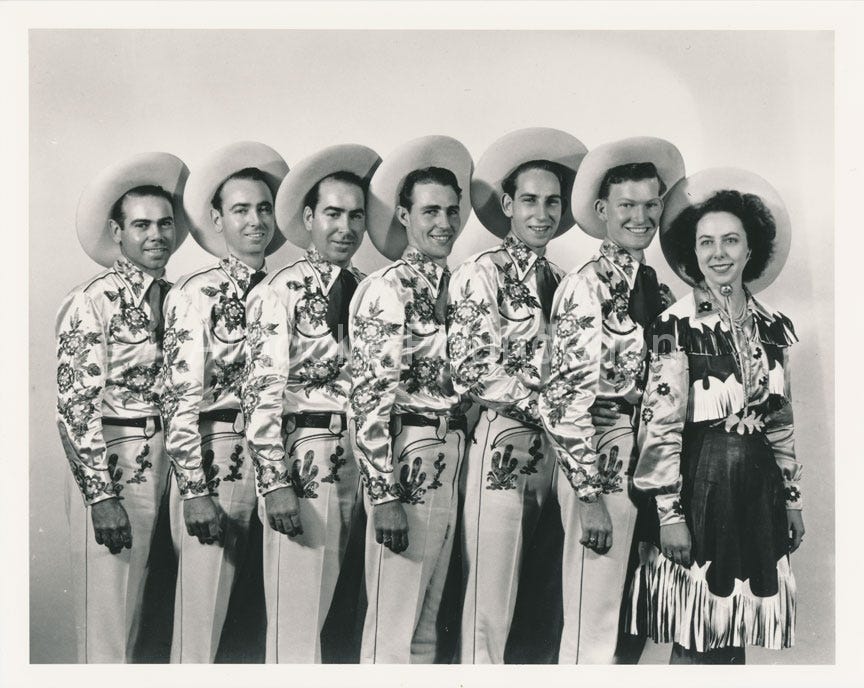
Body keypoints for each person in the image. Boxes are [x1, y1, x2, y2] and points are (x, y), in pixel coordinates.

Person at [629, 168, 804, 664]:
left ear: (751, 250)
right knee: (697, 627)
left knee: (735, 629)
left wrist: (792, 501)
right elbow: (659, 426)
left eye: (731, 240)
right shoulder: (672, 325)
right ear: (693, 251)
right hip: (700, 487)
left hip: (758, 490)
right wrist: (669, 515)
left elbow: (781, 423)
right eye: (706, 242)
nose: (719, 253)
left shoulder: (775, 327)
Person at [539, 137, 685, 663]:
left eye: (650, 204)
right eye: (626, 205)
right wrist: (588, 496)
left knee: (629, 625)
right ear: (603, 210)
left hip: (647, 460)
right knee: (592, 621)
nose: (640, 218)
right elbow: (562, 402)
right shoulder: (586, 286)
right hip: (599, 459)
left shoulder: (660, 293)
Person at [448, 127, 587, 664]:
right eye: (529, 200)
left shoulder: (567, 280)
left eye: (552, 202)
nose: (542, 213)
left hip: (556, 453)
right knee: (490, 599)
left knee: (542, 599)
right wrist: (549, 407)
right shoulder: (481, 272)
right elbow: (471, 370)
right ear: (508, 205)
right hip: (503, 442)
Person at [243, 143, 381, 662]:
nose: (345, 228)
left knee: (340, 616)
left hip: (358, 459)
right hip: (304, 454)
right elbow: (259, 393)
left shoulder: (369, 289)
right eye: (332, 214)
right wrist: (274, 484)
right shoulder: (279, 290)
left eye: (355, 216)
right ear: (308, 219)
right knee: (296, 621)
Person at [55, 152, 190, 662]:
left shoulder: (179, 298)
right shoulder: (92, 301)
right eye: (141, 225)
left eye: (164, 224)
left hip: (167, 465)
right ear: (117, 231)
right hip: (114, 459)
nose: (156, 235)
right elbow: (74, 406)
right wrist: (100, 496)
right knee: (109, 618)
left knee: (149, 616)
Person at [160, 141, 288, 663]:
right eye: (240, 210)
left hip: (284, 464)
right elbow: (177, 397)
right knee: (202, 620)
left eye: (264, 208)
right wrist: (194, 490)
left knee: (264, 624)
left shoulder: (287, 289)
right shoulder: (196, 292)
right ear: (217, 219)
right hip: (218, 458)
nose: (255, 221)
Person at [347, 135, 473, 663]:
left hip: (453, 452)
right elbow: (367, 402)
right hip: (407, 456)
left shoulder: (462, 286)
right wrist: (382, 496)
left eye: (451, 211)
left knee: (426, 625)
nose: (443, 223)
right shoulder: (387, 288)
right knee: (393, 628)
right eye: (429, 211)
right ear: (404, 216)